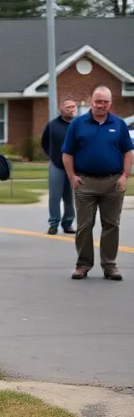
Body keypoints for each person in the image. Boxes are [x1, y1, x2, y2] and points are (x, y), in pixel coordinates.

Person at [62, 85, 134, 280]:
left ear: (110, 103)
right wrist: (72, 176)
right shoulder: (78, 124)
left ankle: (109, 265)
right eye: (98, 101)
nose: (101, 105)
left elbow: (128, 152)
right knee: (84, 225)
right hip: (85, 182)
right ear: (91, 100)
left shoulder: (118, 124)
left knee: (111, 224)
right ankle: (83, 264)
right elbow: (67, 153)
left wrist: (125, 176)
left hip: (113, 183)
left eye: (105, 102)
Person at [41, 96, 78, 236]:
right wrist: (52, 156)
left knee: (69, 197)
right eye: (68, 107)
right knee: (54, 196)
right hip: (56, 164)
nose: (71, 110)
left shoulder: (78, 124)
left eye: (73, 107)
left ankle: (68, 223)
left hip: (74, 166)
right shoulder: (52, 125)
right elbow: (45, 143)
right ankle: (53, 224)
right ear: (61, 109)